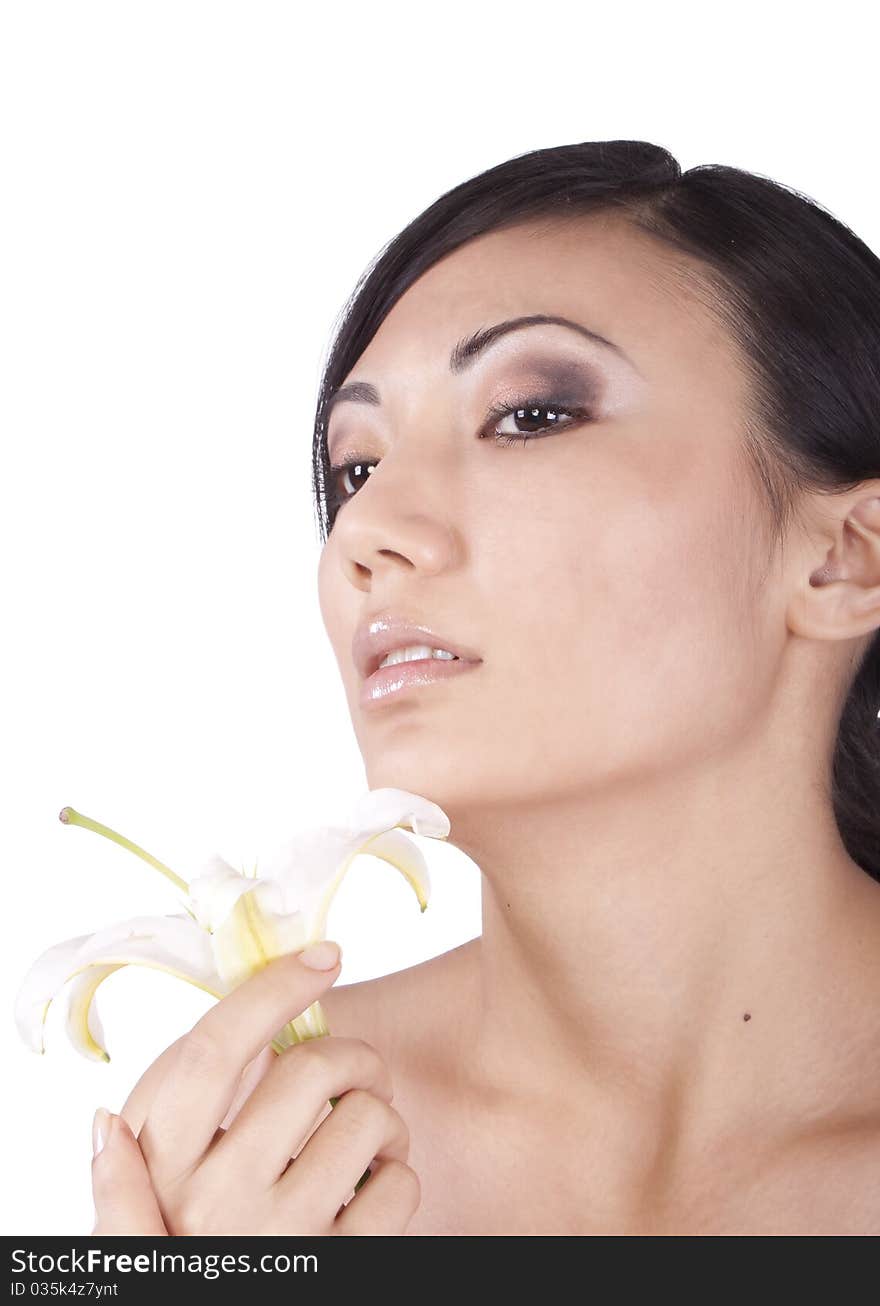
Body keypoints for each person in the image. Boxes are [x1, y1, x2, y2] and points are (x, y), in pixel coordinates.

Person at [90, 140, 880, 1236]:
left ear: (846, 559)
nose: (367, 529)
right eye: (354, 469)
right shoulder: (253, 1152)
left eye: (530, 414)